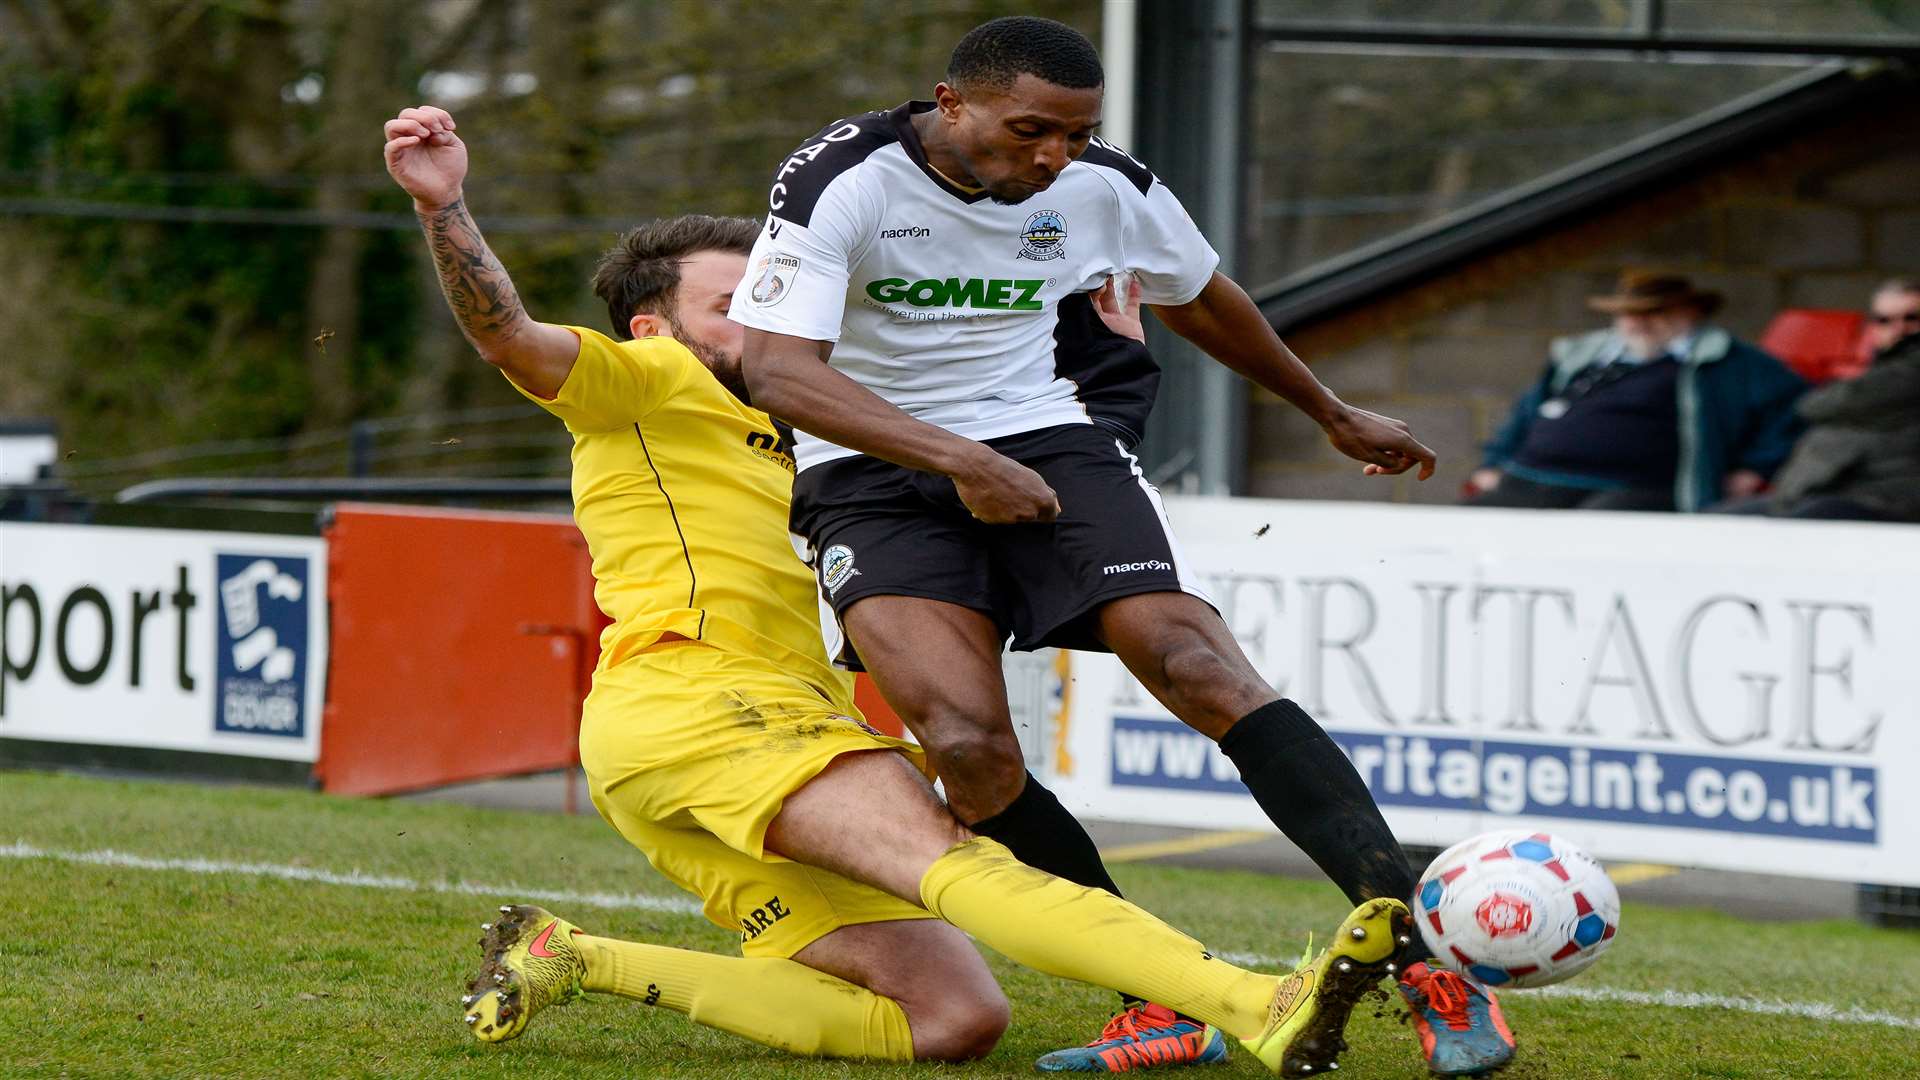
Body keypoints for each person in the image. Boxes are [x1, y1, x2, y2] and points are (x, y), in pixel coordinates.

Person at [383, 103, 1414, 1076]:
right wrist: (443, 205)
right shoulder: (651, 383)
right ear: (656, 331)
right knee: (956, 860)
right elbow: (508, 337)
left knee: (953, 1019)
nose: (773, 316)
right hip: (707, 706)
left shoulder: (838, 434)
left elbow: (999, 474)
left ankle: (574, 956)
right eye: (733, 306)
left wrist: (1102, 379)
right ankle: (1252, 1002)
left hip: (678, 747)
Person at [729, 16, 1509, 1077]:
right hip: (867, 469)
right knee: (965, 746)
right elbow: (777, 372)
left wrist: (1329, 411)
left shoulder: (1104, 185)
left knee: (1192, 659)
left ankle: (1429, 961)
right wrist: (957, 458)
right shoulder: (842, 179)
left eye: (1074, 133)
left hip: (1046, 439)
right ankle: (1154, 1000)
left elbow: (1202, 297)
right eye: (1030, 130)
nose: (1054, 156)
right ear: (952, 104)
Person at [1467, 270, 1807, 512]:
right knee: (1464, 531)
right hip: (1530, 476)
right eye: (1627, 313)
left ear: (1690, 312)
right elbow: (1530, 410)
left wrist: (1755, 469)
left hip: (1638, 488)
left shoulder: (1729, 360)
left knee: (1590, 545)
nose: (1636, 322)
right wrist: (1494, 463)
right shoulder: (1582, 355)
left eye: (1653, 312)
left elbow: (1796, 409)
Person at [1711, 278, 1920, 522]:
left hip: (1886, 496)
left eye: (1912, 318)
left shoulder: (1910, 368)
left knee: (1794, 525)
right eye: (1884, 320)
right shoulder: (1880, 368)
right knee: (1712, 522)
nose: (1899, 328)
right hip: (1832, 489)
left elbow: (1819, 404)